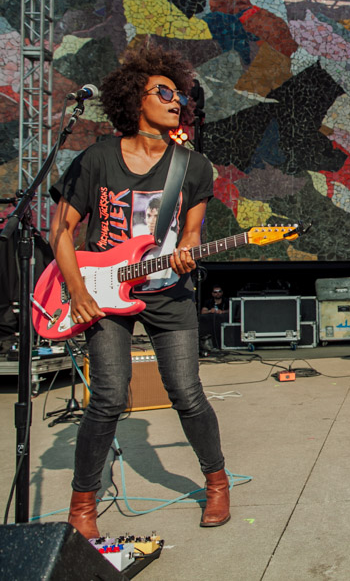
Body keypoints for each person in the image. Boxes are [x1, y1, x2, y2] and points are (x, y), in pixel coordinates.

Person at [49, 46, 230, 538]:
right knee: (107, 396)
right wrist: (76, 288)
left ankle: (217, 481)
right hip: (104, 293)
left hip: (168, 290)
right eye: (164, 92)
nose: (176, 101)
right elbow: (61, 230)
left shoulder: (192, 166)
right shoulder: (97, 158)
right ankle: (82, 503)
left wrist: (189, 250)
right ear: (135, 99)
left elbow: (191, 232)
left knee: (186, 393)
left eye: (180, 94)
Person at [199, 286, 228, 354]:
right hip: (210, 325)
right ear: (212, 293)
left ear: (222, 293)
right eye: (215, 292)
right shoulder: (208, 301)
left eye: (219, 292)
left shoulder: (226, 301)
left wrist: (222, 312)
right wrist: (209, 311)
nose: (217, 294)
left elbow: (232, 310)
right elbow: (202, 311)